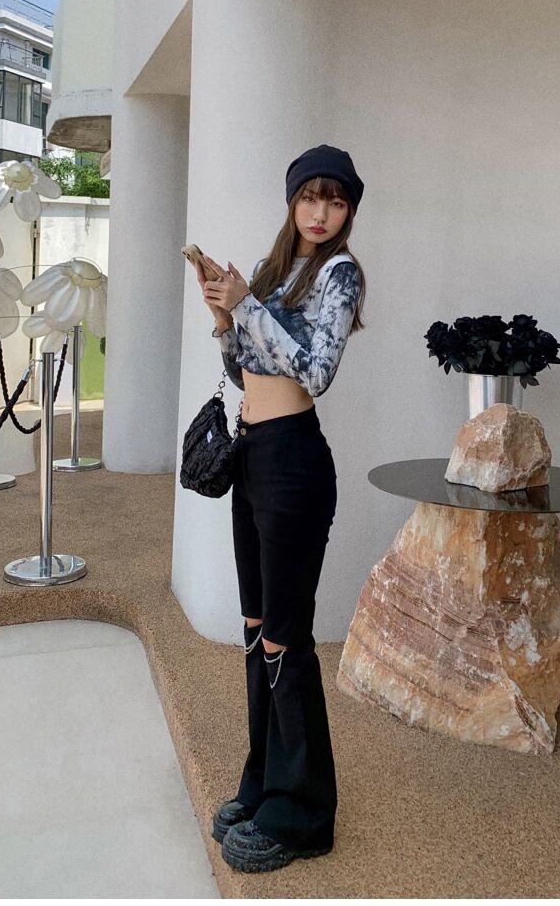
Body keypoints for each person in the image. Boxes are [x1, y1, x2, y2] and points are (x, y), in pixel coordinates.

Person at [194, 144, 366, 873]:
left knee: (286, 638)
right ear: (292, 202)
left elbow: (316, 371)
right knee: (257, 627)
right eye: (309, 198)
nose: (321, 213)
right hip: (254, 454)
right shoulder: (273, 271)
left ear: (348, 210)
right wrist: (225, 318)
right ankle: (264, 782)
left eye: (335, 200)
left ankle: (304, 815)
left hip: (296, 462)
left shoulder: (339, 274)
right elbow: (245, 371)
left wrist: (248, 307)